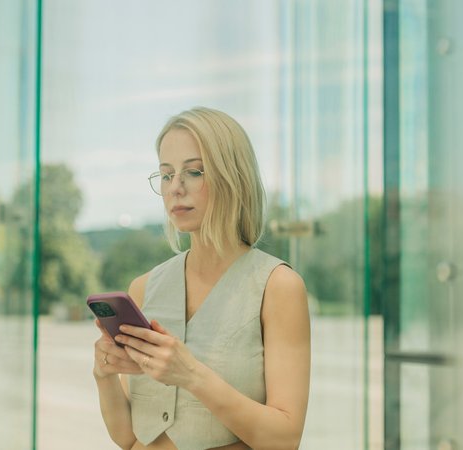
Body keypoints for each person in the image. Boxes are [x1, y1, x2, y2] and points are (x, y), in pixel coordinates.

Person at [92, 107, 311, 450]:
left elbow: (284, 440)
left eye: (193, 172)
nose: (175, 188)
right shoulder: (144, 287)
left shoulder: (277, 287)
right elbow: (128, 436)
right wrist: (104, 375)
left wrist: (191, 375)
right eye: (166, 175)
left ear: (232, 178)